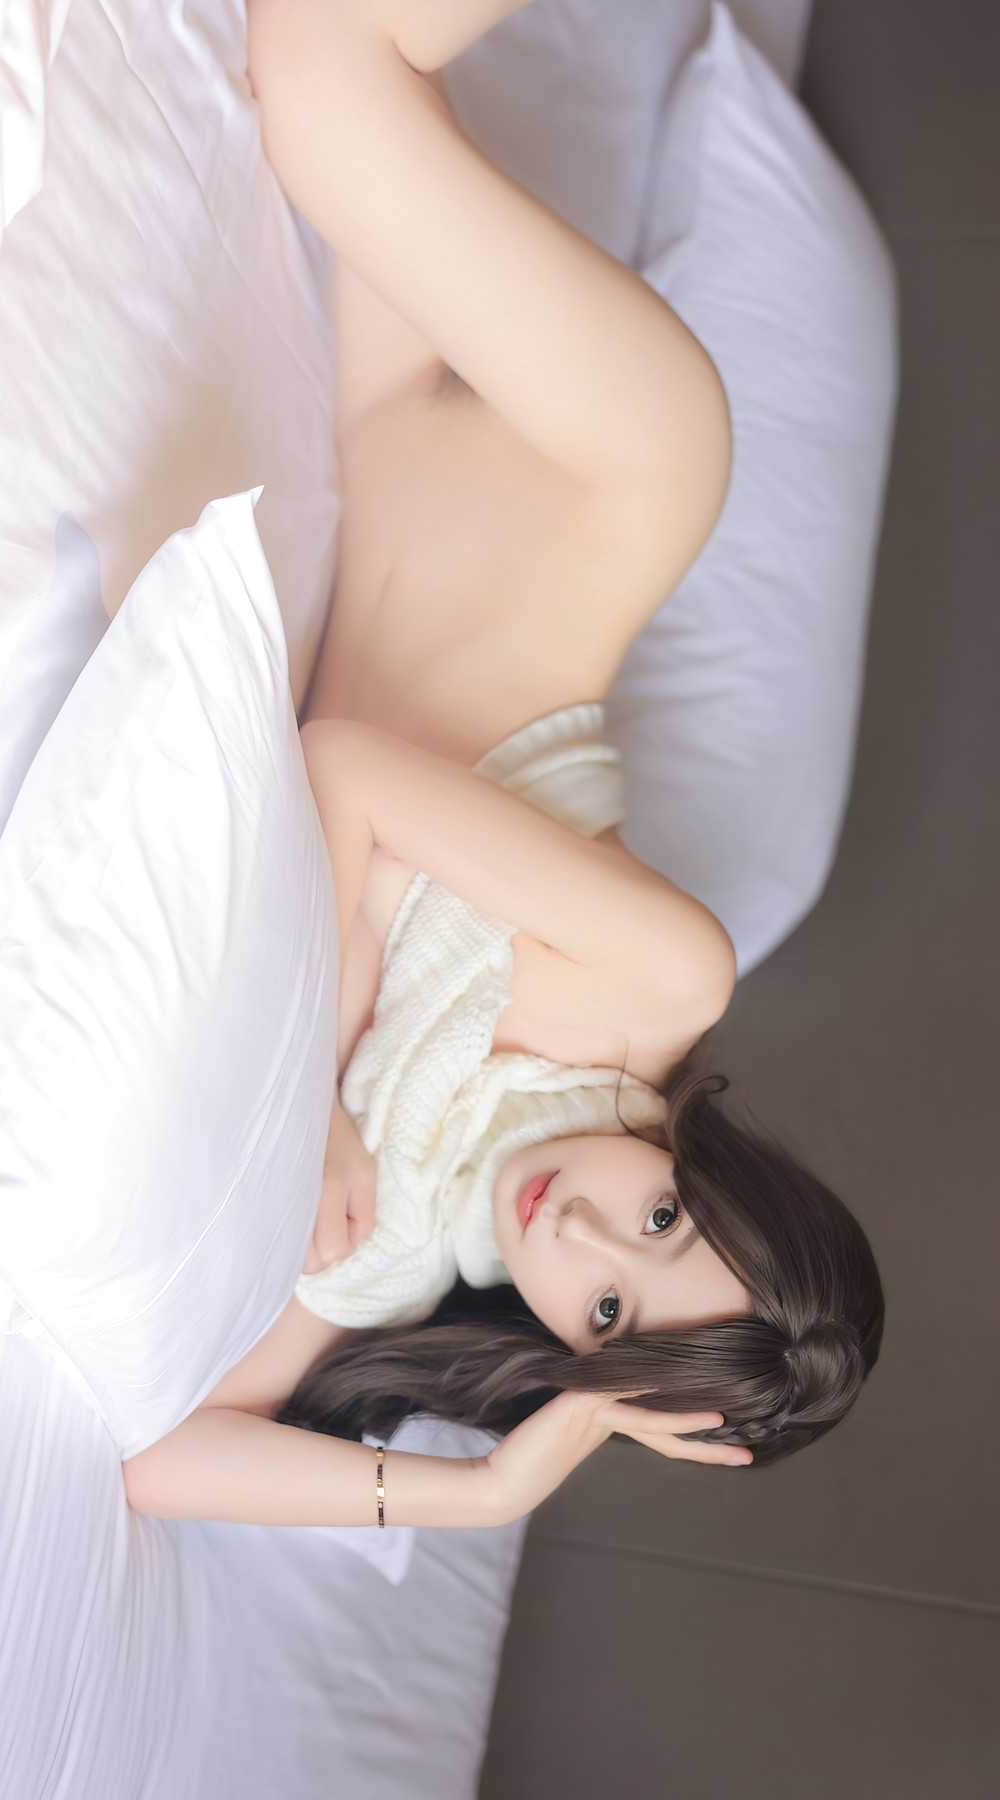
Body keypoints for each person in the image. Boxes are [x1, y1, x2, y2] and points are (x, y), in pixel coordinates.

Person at [122, 0, 884, 1527]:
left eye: (604, 1314)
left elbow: (159, 1463)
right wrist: (320, 1095)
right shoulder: (662, 982)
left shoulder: (398, 1249)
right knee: (329, 71)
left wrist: (491, 1492)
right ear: (714, 1167)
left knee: (332, 55)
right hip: (603, 470)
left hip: (394, 442)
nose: (579, 1232)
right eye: (663, 1220)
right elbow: (346, 770)